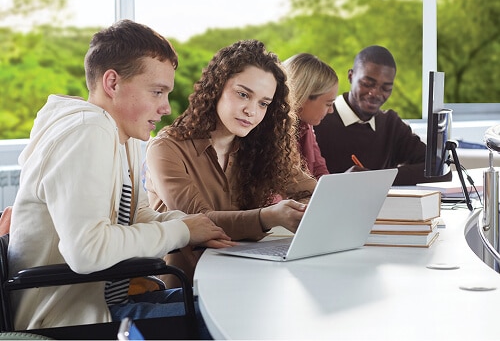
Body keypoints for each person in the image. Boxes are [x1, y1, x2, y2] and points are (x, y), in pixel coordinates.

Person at [8, 19, 232, 331]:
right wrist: (182, 232)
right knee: (223, 318)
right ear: (112, 83)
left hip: (107, 305)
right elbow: (87, 251)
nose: (166, 107)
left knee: (219, 302)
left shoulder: (122, 137)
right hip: (67, 323)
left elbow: (137, 216)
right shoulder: (87, 130)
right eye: (157, 92)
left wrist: (198, 226)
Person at [144, 40, 317, 286]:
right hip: (186, 293)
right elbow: (201, 222)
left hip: (248, 278)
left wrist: (305, 208)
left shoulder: (263, 147)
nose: (251, 111)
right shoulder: (166, 148)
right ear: (216, 88)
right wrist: (270, 217)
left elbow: (309, 191)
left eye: (263, 103)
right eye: (243, 94)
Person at [314, 45, 452, 185]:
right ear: (351, 76)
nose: (375, 93)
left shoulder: (390, 124)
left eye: (386, 88)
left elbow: (440, 169)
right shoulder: (318, 119)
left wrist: (375, 178)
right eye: (367, 84)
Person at [282, 53, 339, 179]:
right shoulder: (270, 131)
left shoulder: (306, 126)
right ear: (302, 97)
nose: (331, 111)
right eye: (328, 104)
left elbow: (320, 171)